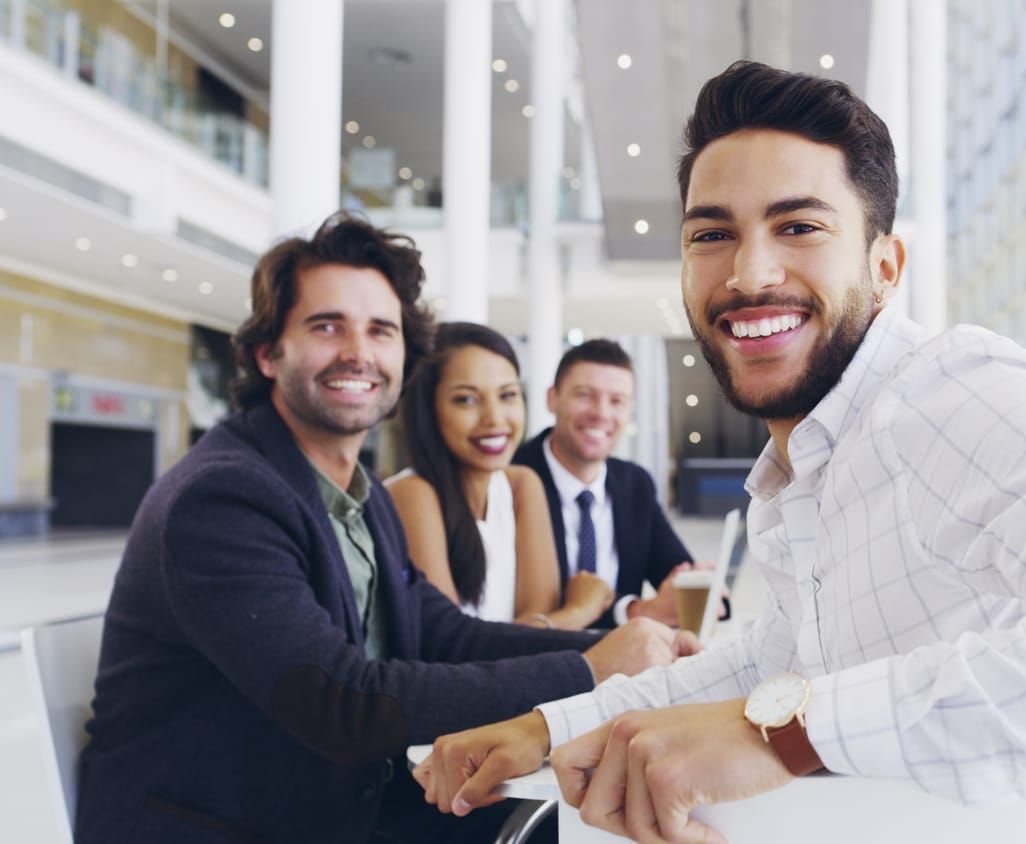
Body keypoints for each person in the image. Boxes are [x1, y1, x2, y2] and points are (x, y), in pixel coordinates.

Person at [416, 60, 1026, 843]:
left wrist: (787, 735)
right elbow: (771, 665)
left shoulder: (952, 394)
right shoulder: (811, 462)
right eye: (710, 233)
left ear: (885, 266)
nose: (748, 273)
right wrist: (547, 726)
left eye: (799, 226)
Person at [74, 213, 696, 844]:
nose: (358, 352)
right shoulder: (223, 497)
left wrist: (618, 647)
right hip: (227, 823)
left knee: (603, 814)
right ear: (268, 352)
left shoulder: (356, 494)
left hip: (332, 802)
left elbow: (440, 632)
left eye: (381, 330)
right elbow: (341, 701)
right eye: (327, 326)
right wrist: (588, 671)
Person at [389, 322, 613, 629]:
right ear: (428, 410)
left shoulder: (521, 484)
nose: (494, 418)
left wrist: (553, 623)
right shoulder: (412, 492)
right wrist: (580, 611)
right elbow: (452, 649)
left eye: (507, 395)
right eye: (466, 399)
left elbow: (537, 632)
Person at [511, 340, 711, 629]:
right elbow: (534, 612)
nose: (602, 413)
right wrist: (633, 611)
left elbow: (676, 573)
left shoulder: (634, 484)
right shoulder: (513, 477)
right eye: (585, 395)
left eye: (616, 401)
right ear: (552, 399)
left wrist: (696, 583)